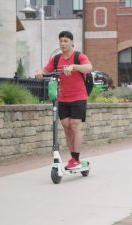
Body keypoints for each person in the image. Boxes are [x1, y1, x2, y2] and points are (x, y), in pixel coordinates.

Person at [35, 31, 93, 170]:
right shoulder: (56, 59)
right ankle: (73, 157)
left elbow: (89, 68)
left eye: (66, 41)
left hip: (79, 96)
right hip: (63, 97)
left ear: (72, 42)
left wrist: (74, 67)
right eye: (61, 41)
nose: (63, 44)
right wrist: (39, 73)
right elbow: (45, 70)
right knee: (66, 127)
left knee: (74, 125)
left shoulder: (79, 56)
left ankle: (76, 159)